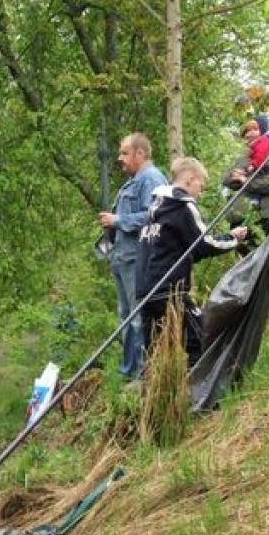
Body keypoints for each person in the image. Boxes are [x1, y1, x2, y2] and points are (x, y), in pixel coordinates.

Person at [136, 157, 248, 368]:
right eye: (200, 186)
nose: (200, 192)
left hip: (145, 292)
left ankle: (158, 397)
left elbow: (184, 251)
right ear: (190, 179)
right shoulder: (182, 206)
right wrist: (232, 238)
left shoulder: (154, 209)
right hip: (170, 290)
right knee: (199, 341)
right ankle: (200, 397)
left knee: (156, 353)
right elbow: (204, 244)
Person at [97, 133, 168, 378]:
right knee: (127, 317)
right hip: (123, 257)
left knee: (137, 318)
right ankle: (128, 372)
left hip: (137, 259)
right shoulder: (135, 181)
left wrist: (118, 220)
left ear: (140, 153)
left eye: (125, 153)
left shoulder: (151, 178)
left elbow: (154, 216)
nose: (120, 159)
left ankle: (141, 373)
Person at [222, 113, 269, 236]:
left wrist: (245, 181)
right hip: (240, 215)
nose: (248, 134)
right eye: (246, 131)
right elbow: (227, 180)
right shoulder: (244, 157)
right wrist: (235, 178)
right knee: (243, 252)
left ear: (263, 131)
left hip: (267, 216)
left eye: (254, 130)